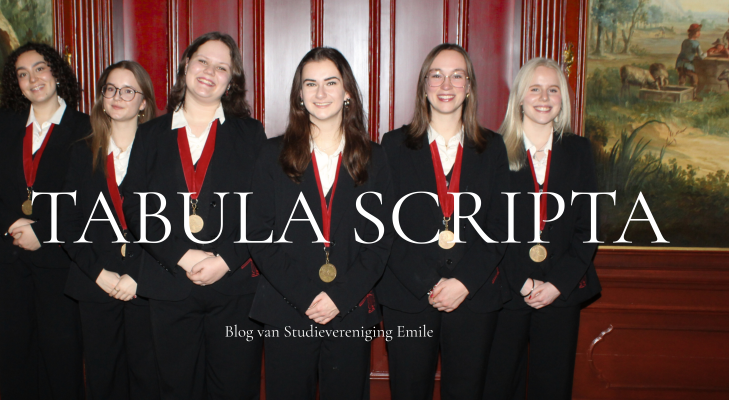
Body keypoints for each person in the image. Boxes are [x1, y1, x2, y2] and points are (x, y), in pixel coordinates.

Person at [122, 31, 266, 399]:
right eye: (202, 61)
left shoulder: (251, 134)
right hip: (169, 284)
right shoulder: (149, 135)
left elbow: (265, 209)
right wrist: (181, 255)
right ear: (186, 65)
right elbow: (135, 208)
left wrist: (226, 260)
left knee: (235, 390)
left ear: (231, 81)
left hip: (234, 287)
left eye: (221, 67)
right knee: (175, 389)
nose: (209, 72)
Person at [247, 47, 394, 400]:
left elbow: (381, 241)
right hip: (286, 308)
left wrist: (339, 297)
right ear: (299, 94)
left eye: (331, 82)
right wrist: (307, 296)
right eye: (310, 84)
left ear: (347, 92)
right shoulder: (272, 154)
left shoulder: (375, 157)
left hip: (349, 309)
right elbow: (258, 235)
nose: (321, 93)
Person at [377, 43, 509, 399]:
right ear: (424, 86)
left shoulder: (493, 148)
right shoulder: (393, 146)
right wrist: (428, 283)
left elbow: (500, 226)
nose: (446, 85)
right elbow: (382, 227)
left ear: (469, 87)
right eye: (436, 75)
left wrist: (463, 282)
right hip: (408, 296)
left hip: (473, 295)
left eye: (457, 76)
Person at [0, 42, 88, 399]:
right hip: (7, 253)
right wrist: (14, 224)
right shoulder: (2, 121)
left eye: (39, 68)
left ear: (56, 73)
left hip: (60, 256)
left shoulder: (85, 127)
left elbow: (88, 195)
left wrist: (44, 232)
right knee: (14, 351)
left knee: (62, 352)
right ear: (16, 84)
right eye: (22, 74)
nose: (33, 79)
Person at [483, 58, 601, 400]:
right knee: (499, 386)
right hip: (506, 289)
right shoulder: (492, 151)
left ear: (562, 99)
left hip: (560, 292)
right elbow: (487, 228)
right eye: (535, 89)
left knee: (552, 387)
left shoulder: (579, 151)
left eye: (553, 90)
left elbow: (588, 227)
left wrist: (556, 285)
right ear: (520, 97)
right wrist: (522, 281)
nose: (544, 98)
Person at [59, 61, 159, 400]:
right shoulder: (80, 152)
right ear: (102, 98)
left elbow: (170, 225)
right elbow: (67, 224)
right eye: (111, 89)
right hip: (95, 282)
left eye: (128, 90)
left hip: (146, 285)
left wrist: (137, 276)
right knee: (103, 380)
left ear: (143, 102)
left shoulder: (162, 153)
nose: (117, 96)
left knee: (149, 380)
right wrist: (98, 273)